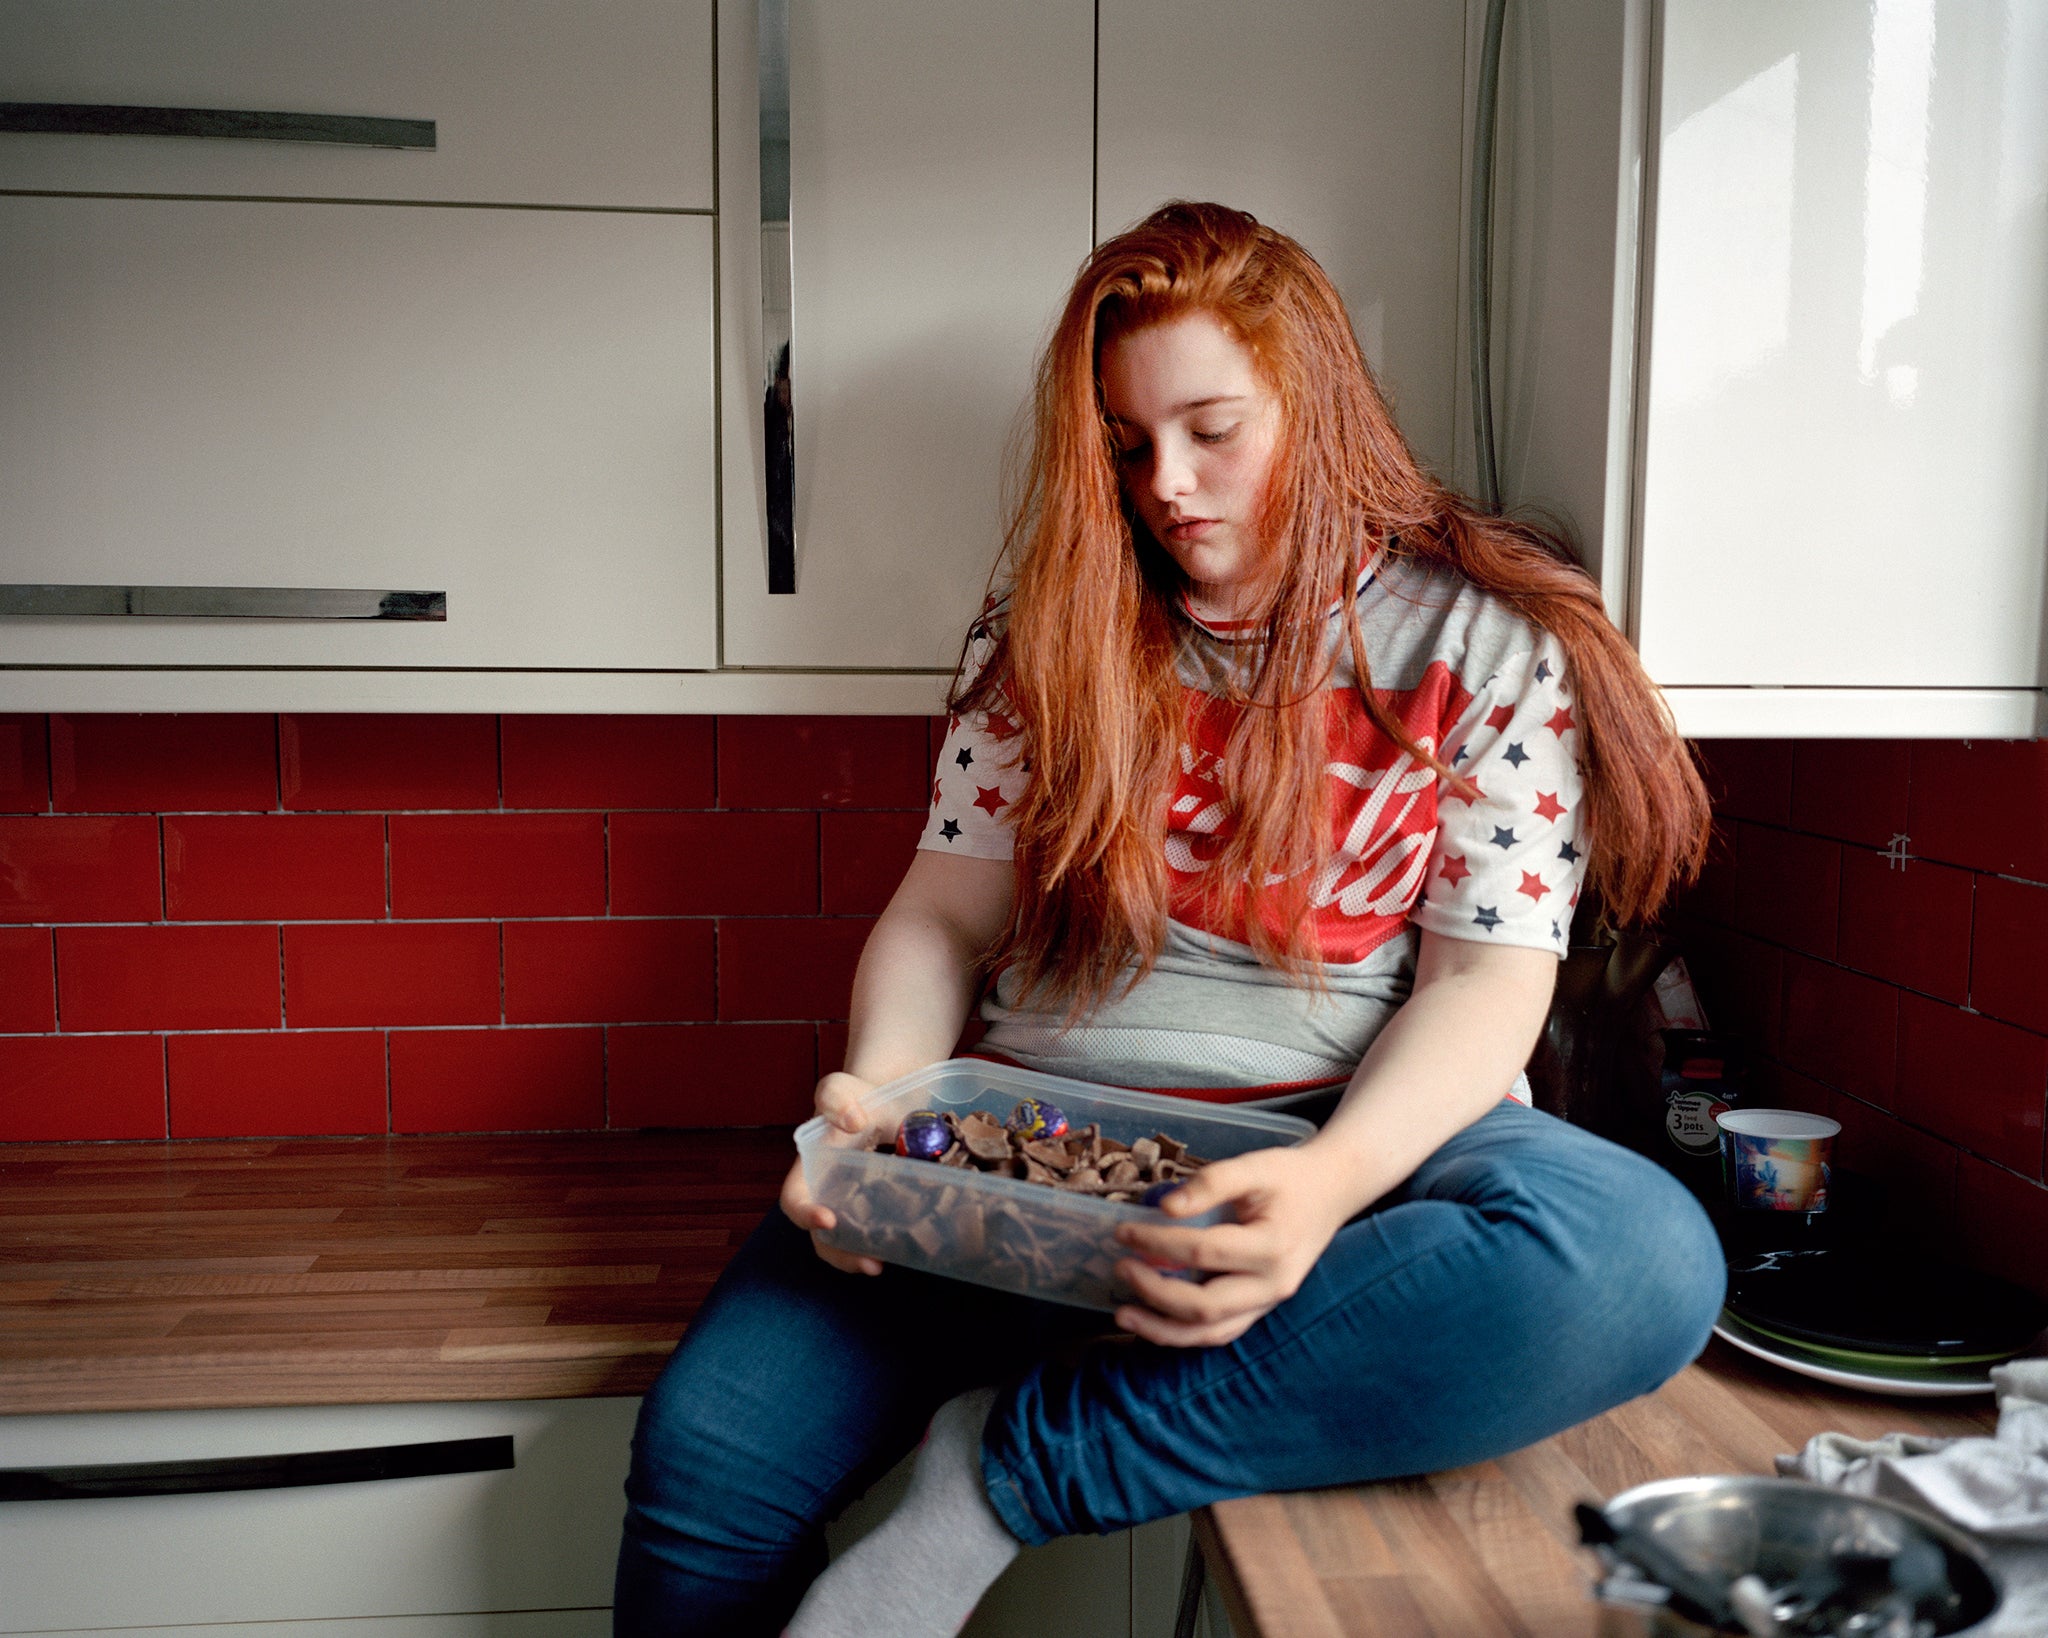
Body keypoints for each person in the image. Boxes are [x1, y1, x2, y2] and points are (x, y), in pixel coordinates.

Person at [613, 202, 1725, 1638]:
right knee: (704, 1458)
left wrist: (1323, 1188)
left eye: (1213, 429)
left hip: (1331, 1161)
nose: (1168, 485)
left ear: (1314, 404)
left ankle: (1011, 1467)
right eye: (1129, 443)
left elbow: (1481, 987)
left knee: (1640, 1252)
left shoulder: (1484, 645)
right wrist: (878, 1113)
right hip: (1010, 1166)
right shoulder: (1055, 631)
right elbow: (941, 918)